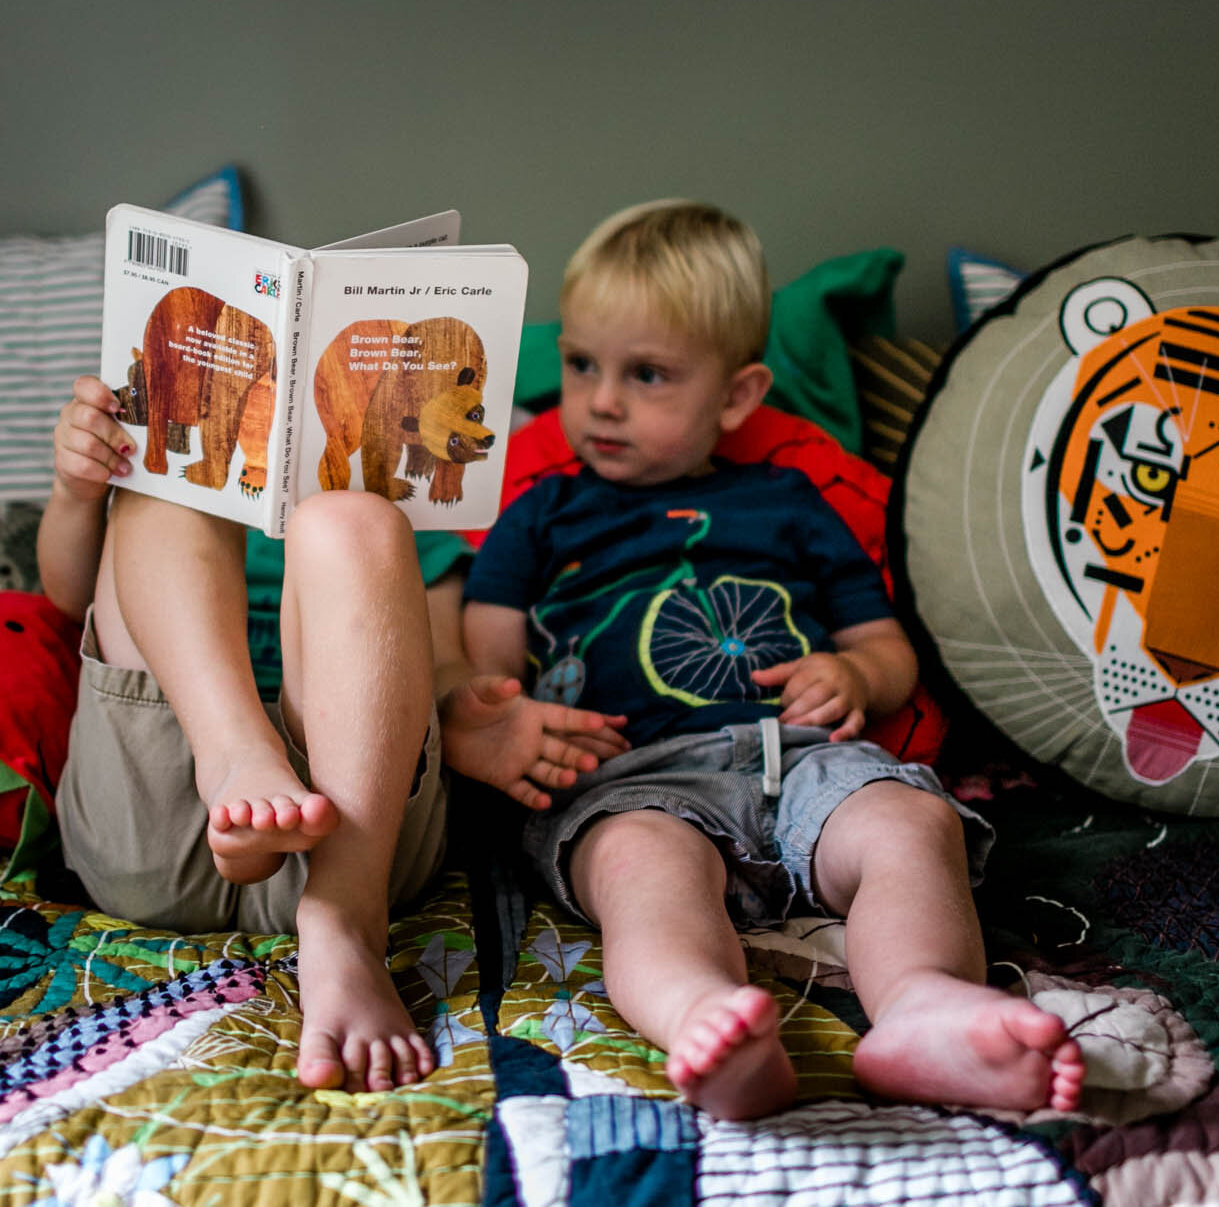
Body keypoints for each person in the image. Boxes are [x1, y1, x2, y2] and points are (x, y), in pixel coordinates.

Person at [459, 200, 1085, 1121]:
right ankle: (705, 1019)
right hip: (632, 776)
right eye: (583, 363)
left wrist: (859, 677)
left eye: (649, 375)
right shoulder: (540, 511)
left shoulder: (788, 496)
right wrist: (497, 714)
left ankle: (920, 1006)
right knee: (641, 872)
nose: (599, 400)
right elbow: (487, 667)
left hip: (803, 758)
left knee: (912, 825)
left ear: (739, 395)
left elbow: (885, 650)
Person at [40, 377, 625, 1096]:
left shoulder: (407, 512)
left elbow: (431, 654)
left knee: (357, 519)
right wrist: (76, 489)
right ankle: (237, 752)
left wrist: (458, 707)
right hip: (158, 795)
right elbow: (69, 599)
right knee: (166, 483)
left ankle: (343, 922)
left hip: (352, 830)